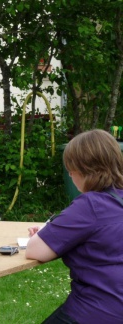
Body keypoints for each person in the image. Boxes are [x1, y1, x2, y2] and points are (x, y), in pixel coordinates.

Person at [26, 129, 123, 323]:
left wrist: (45, 236)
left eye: (71, 168)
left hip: (99, 309)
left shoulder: (90, 205)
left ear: (84, 169)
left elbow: (35, 250)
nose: (70, 174)